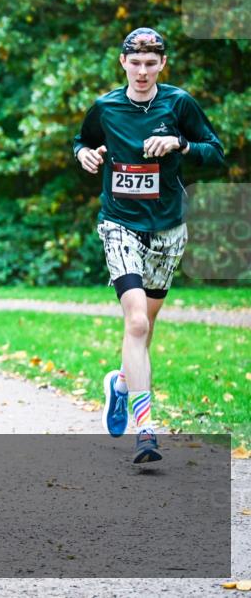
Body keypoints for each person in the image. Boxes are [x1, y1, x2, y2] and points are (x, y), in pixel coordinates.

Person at [73, 27, 224, 464]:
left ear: (162, 64)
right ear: (123, 63)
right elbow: (83, 140)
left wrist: (180, 142)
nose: (142, 71)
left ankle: (120, 385)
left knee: (146, 326)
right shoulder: (105, 106)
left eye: (150, 63)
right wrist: (84, 153)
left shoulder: (178, 103)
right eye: (134, 63)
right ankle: (146, 430)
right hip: (119, 223)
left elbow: (215, 151)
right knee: (136, 323)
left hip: (168, 229)